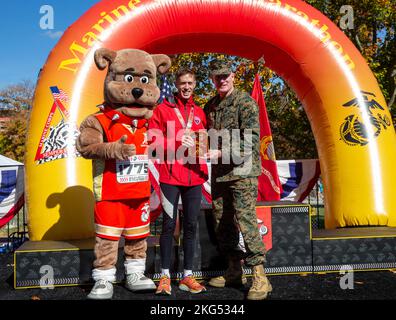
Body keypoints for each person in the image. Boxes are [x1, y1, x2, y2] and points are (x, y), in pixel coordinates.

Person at [203, 60, 272, 300]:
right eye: (217, 77)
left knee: (245, 220)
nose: (221, 80)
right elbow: (205, 135)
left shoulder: (245, 103)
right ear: (213, 79)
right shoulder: (210, 106)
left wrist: (221, 152)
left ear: (233, 76)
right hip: (220, 173)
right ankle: (234, 270)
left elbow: (251, 141)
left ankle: (260, 276)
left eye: (225, 76)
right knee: (222, 220)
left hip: (243, 171)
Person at [149, 69, 208, 295]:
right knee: (168, 224)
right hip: (170, 177)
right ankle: (164, 276)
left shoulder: (200, 112)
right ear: (176, 84)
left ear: (194, 84)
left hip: (194, 176)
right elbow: (152, 141)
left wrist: (205, 148)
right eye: (182, 83)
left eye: (190, 83)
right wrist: (174, 140)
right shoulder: (162, 109)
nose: (186, 87)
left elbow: (203, 140)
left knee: (191, 225)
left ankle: (187, 276)